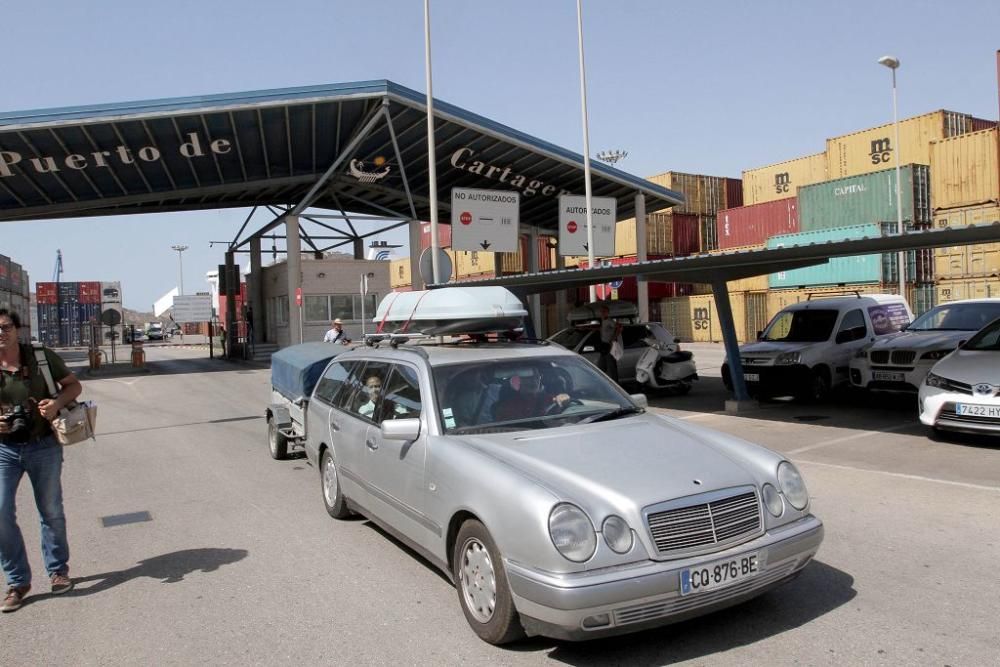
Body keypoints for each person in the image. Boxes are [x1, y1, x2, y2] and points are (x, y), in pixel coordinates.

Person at [0, 309, 82, 612]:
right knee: (0, 512)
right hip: (4, 449)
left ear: (17, 329)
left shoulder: (40, 356)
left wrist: (56, 403)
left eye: (6, 327)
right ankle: (18, 581)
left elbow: (73, 385)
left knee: (50, 509)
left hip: (43, 444)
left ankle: (58, 571)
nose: (1, 333)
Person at [493, 369, 572, 422]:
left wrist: (565, 398)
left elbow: (560, 403)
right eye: (528, 378)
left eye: (536, 377)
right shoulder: (506, 407)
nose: (533, 381)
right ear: (519, 381)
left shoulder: (547, 399)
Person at [597, 306, 622, 383]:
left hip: (609, 347)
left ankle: (615, 384)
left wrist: (612, 339)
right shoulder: (602, 321)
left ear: (607, 312)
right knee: (601, 367)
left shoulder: (610, 321)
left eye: (604, 312)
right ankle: (603, 383)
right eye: (601, 312)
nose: (602, 313)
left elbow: (620, 328)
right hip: (603, 347)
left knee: (611, 367)